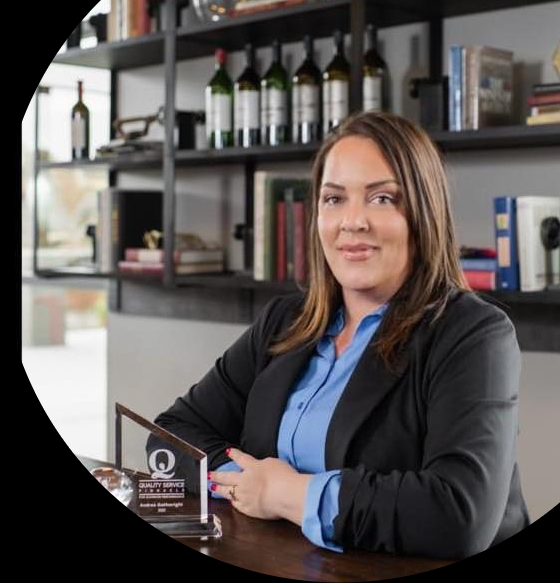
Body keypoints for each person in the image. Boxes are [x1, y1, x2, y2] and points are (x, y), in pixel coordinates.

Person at [153, 110, 530, 559]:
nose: (352, 221)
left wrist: (287, 495)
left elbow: (459, 516)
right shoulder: (284, 321)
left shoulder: (474, 335)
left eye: (382, 198)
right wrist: (244, 483)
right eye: (334, 199)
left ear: (424, 214)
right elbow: (170, 436)